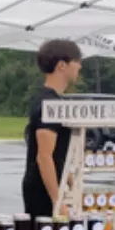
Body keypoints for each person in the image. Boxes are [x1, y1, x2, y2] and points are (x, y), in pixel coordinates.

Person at [22, 39, 83, 219]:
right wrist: (57, 201)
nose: (79, 67)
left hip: (55, 186)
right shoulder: (48, 104)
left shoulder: (57, 102)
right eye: (77, 62)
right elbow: (44, 157)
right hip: (42, 191)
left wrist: (72, 185)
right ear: (61, 66)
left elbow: (58, 155)